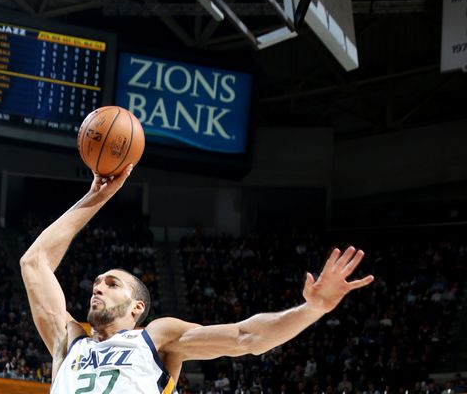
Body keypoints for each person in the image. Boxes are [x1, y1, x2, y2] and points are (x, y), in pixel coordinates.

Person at [20, 165, 375, 393]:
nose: (99, 287)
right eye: (98, 282)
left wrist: (311, 310)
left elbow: (246, 337)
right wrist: (98, 195)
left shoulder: (157, 338)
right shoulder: (68, 341)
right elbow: (35, 263)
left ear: (137, 307)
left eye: (113, 284)